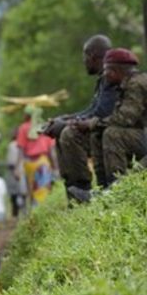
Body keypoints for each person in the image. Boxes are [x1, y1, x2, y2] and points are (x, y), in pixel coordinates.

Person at [68, 48, 147, 202]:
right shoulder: (128, 83)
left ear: (115, 71)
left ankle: (116, 193)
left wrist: (92, 123)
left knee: (112, 133)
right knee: (100, 132)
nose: (104, 75)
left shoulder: (136, 84)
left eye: (106, 70)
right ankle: (104, 190)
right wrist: (94, 125)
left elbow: (125, 119)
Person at [46, 35, 119, 195]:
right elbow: (92, 109)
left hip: (112, 131)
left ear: (92, 55)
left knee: (69, 134)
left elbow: (100, 113)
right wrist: (65, 119)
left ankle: (82, 187)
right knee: (62, 132)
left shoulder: (110, 77)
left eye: (85, 55)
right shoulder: (103, 79)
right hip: (103, 128)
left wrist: (67, 124)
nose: (84, 61)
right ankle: (72, 189)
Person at [16, 106, 58, 206]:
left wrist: (18, 167)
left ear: (27, 115)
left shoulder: (23, 127)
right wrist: (55, 167)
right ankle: (42, 212)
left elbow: (21, 149)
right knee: (43, 190)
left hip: (29, 164)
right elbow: (51, 151)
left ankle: (33, 213)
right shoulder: (44, 126)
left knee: (31, 190)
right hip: (43, 162)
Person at [5, 128, 27, 217]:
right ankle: (24, 212)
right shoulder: (24, 145)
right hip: (23, 170)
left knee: (13, 193)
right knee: (23, 192)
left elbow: (10, 161)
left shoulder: (12, 145)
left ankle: (15, 213)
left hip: (13, 170)